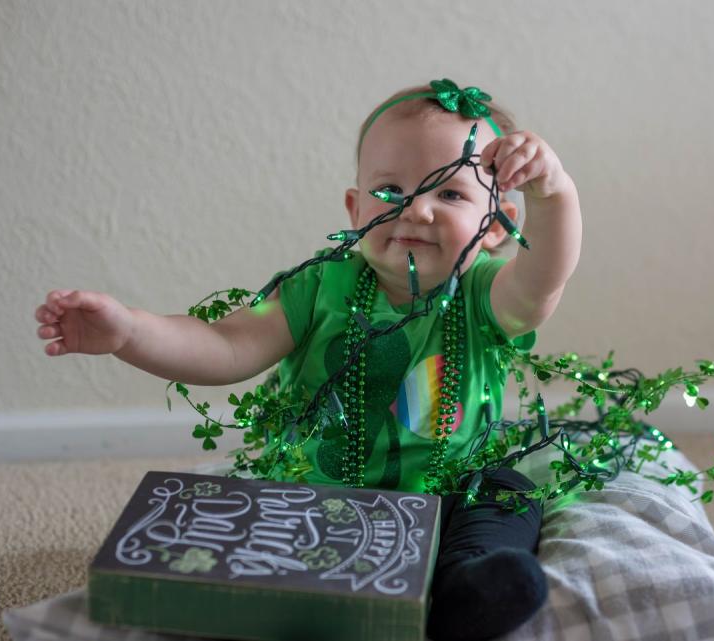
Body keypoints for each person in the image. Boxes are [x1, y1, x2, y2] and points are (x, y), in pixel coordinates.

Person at [34, 78, 583, 641]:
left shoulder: (485, 294)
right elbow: (225, 347)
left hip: (447, 491)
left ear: (497, 225)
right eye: (391, 190)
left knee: (508, 492)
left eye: (450, 194)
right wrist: (129, 331)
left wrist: (553, 193)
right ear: (354, 208)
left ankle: (468, 590)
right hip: (315, 493)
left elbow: (543, 281)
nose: (416, 210)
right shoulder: (320, 287)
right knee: (259, 513)